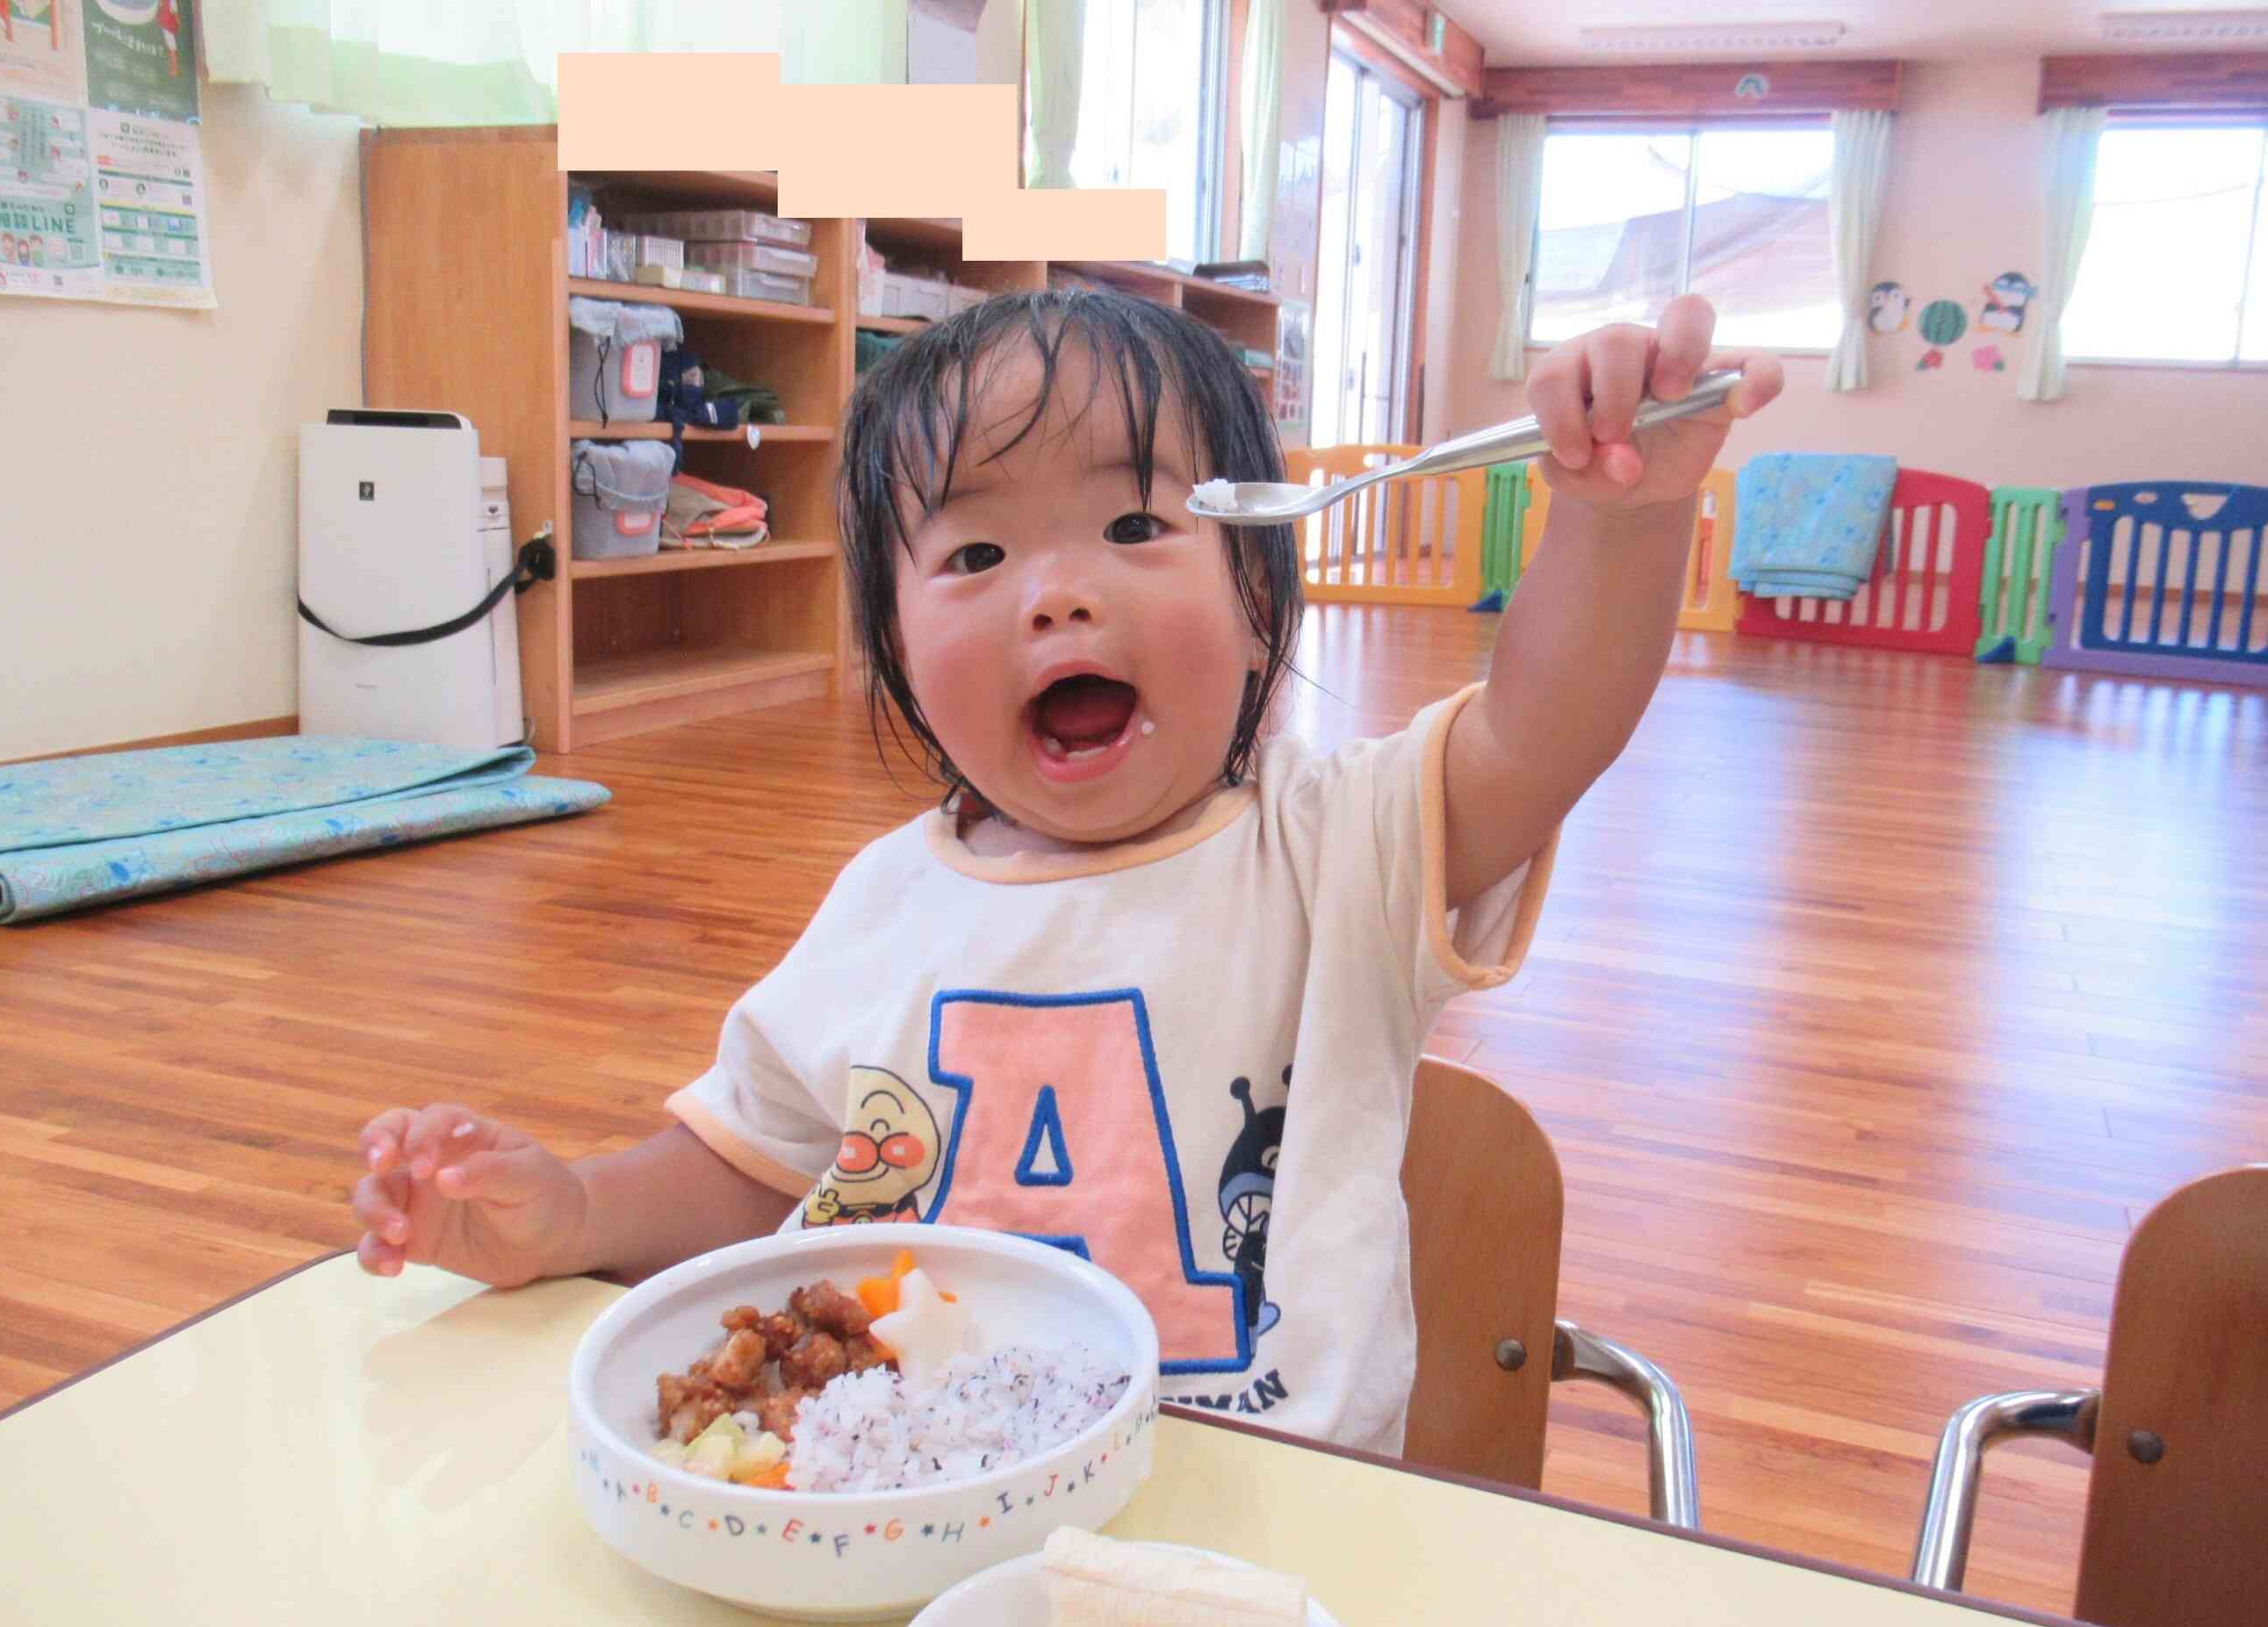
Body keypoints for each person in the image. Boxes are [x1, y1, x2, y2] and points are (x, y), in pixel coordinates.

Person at [350, 288, 1781, 1450]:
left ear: (1259, 585)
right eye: (974, 550)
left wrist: (1621, 516)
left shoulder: (1338, 846)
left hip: (1267, 1508)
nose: (1058, 590)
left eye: (1136, 526)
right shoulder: (885, 907)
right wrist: (577, 1214)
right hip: (922, 1506)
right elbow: (751, 1167)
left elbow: (1548, 732)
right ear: (894, 643)